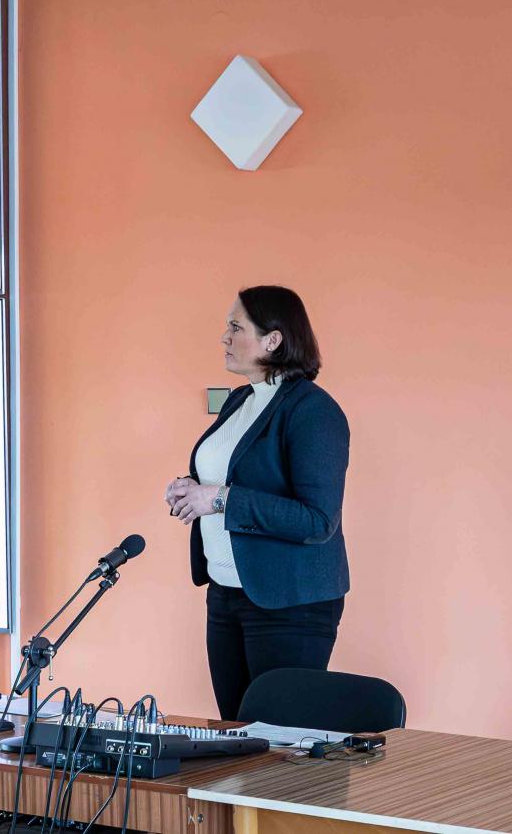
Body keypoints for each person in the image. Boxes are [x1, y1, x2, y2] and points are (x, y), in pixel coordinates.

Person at [164, 286, 350, 722]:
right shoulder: (240, 399)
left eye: (236, 327)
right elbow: (238, 475)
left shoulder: (313, 411)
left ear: (273, 340)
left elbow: (317, 519)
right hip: (225, 595)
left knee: (279, 745)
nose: (224, 337)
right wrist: (191, 488)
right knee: (236, 736)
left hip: (289, 604)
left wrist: (219, 499)